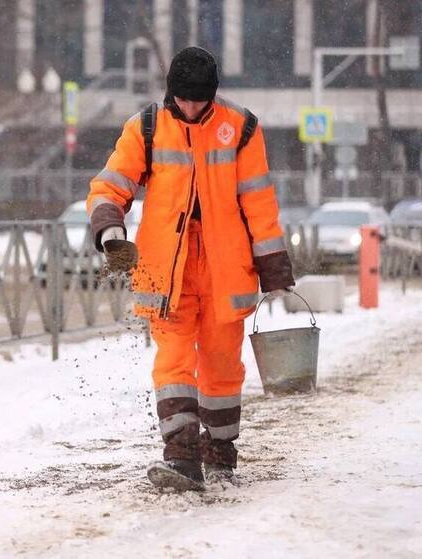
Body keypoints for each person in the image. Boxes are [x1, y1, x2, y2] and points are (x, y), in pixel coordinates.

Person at [87, 46, 295, 490]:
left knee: (221, 365)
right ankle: (181, 455)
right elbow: (110, 184)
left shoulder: (240, 127)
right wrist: (110, 228)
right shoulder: (146, 126)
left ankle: (220, 450)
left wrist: (275, 269)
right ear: (171, 93)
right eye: (183, 100)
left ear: (212, 95)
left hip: (226, 267)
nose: (191, 108)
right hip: (167, 268)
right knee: (174, 360)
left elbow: (258, 201)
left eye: (199, 101)